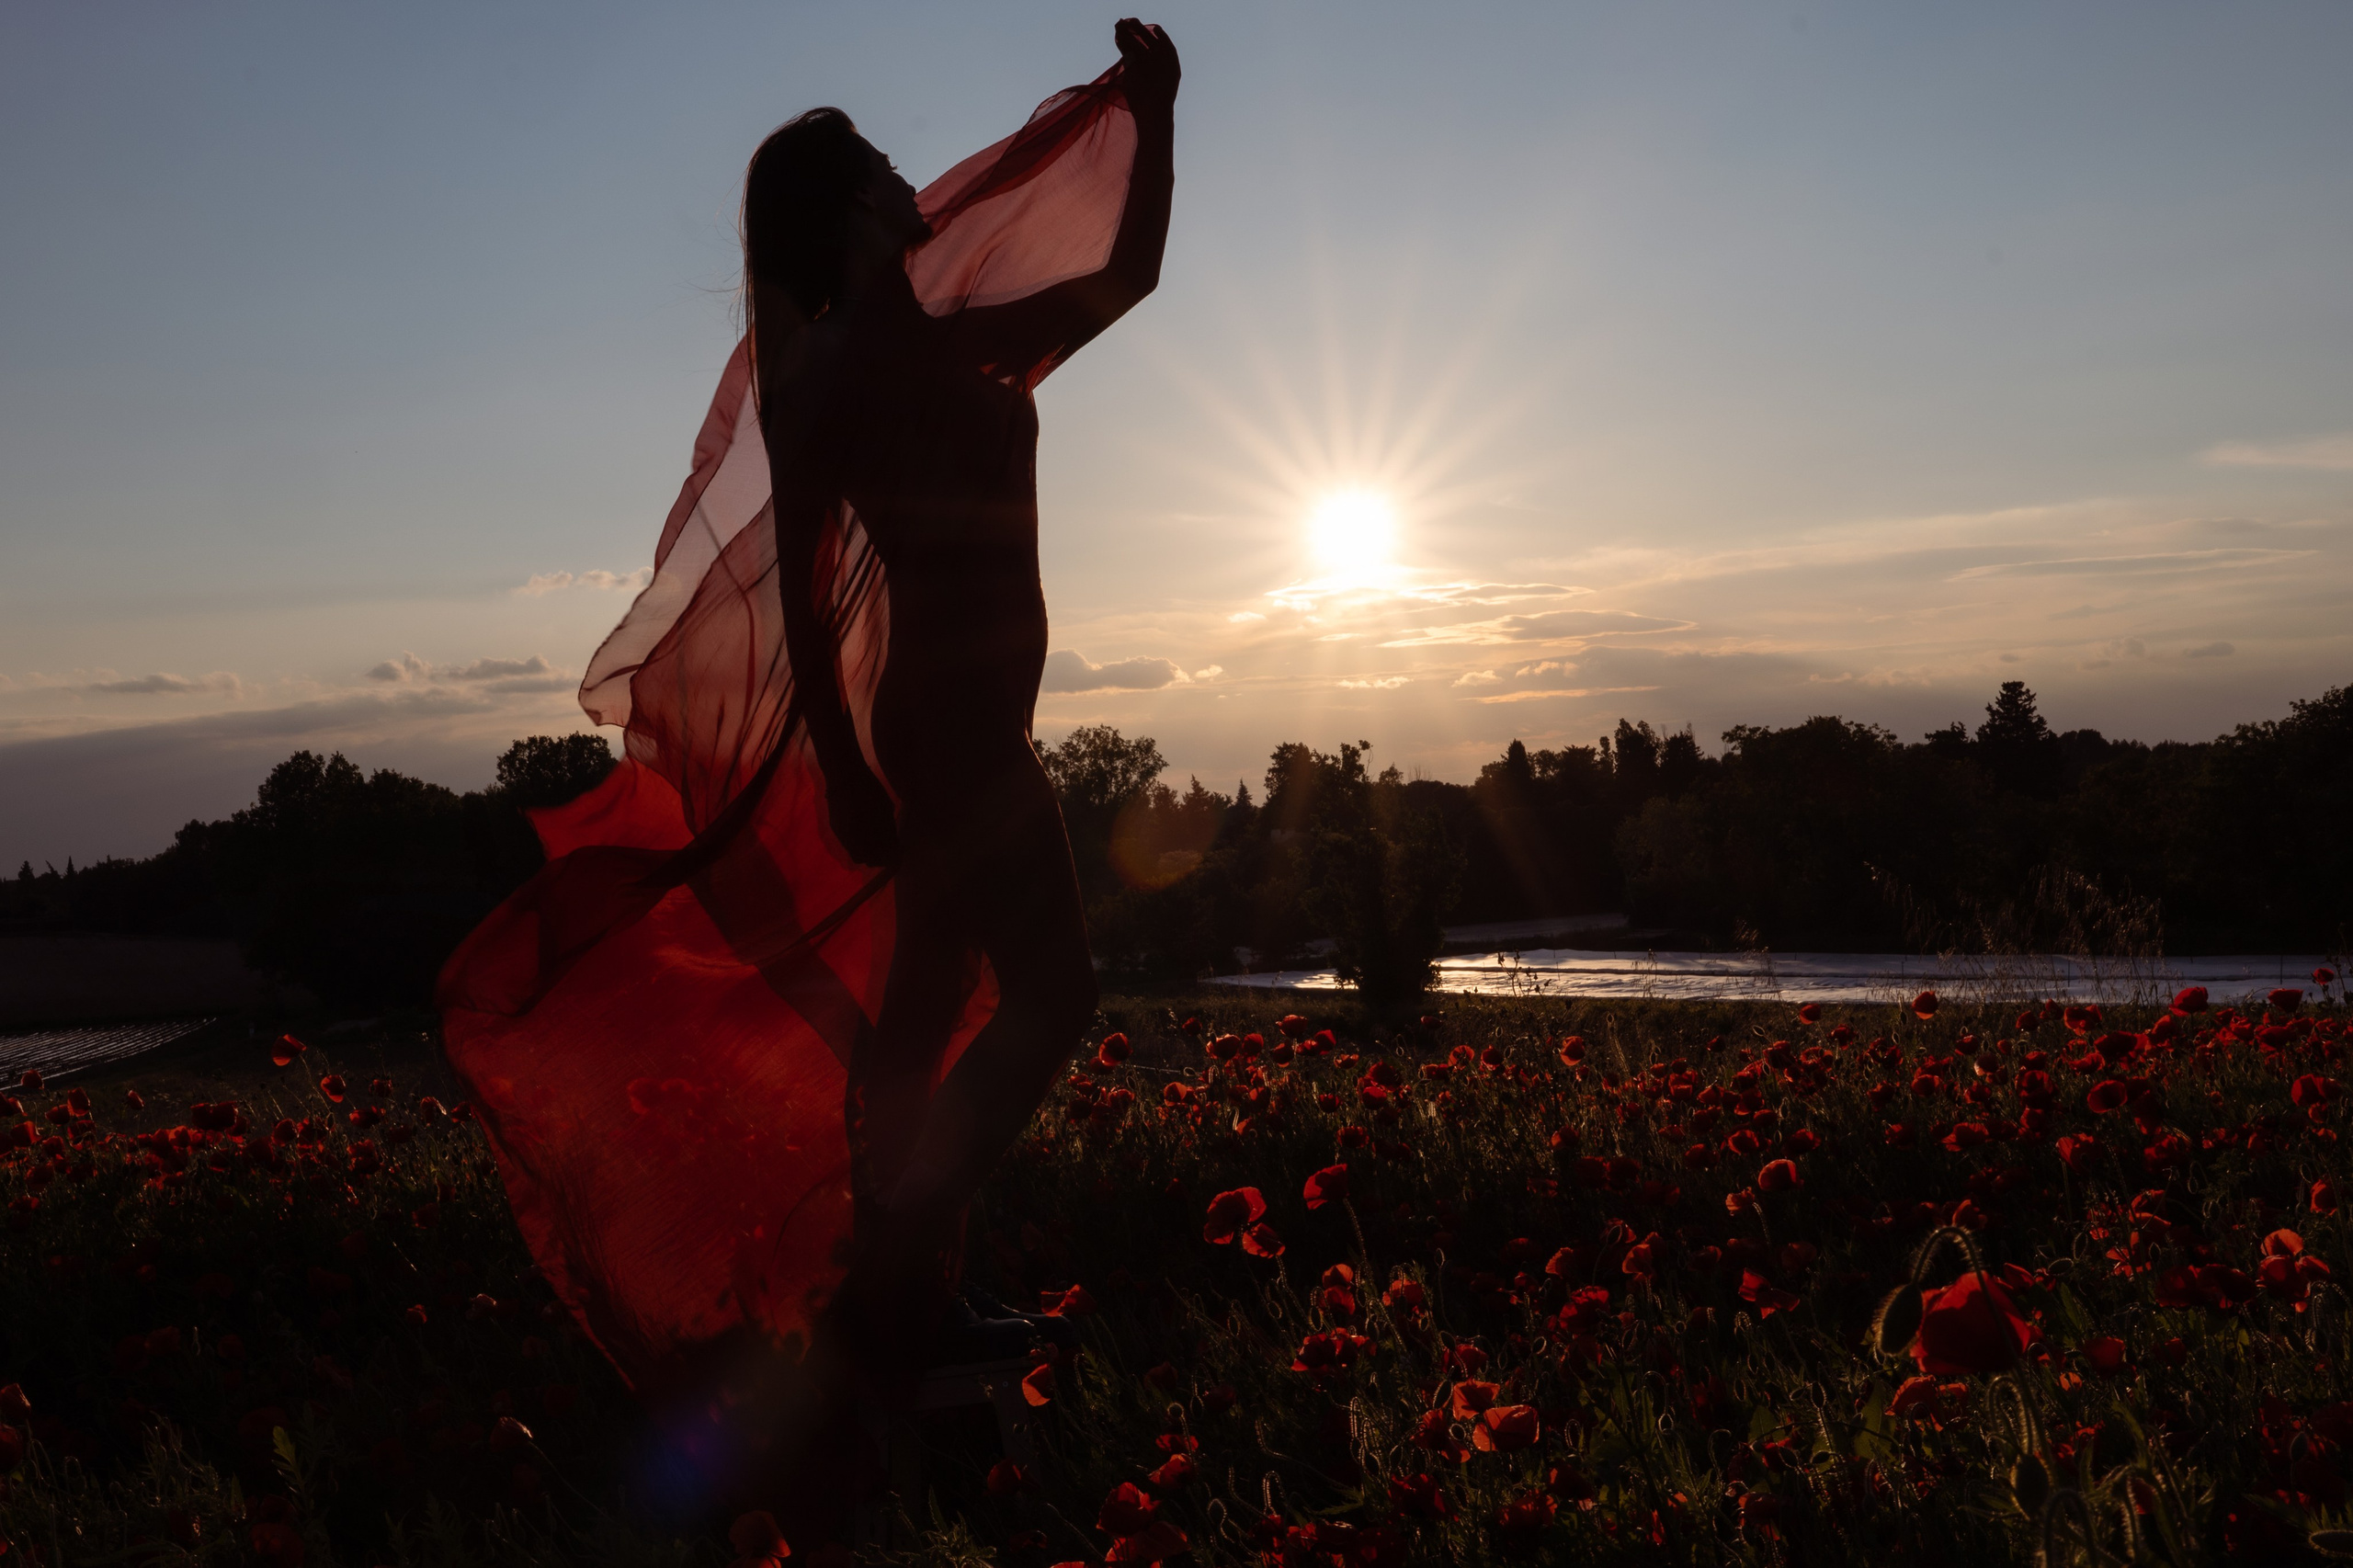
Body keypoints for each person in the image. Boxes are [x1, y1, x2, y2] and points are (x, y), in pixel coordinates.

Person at [436, 17, 1177, 1535]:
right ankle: (901, 1274)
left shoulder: (948, 342)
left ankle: (903, 1291)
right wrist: (840, 764)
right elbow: (798, 571)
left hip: (975, 727)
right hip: (951, 736)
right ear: (848, 207)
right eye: (887, 165)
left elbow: (1125, 282)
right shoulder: (832, 371)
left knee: (917, 1014)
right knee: (1055, 997)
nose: (918, 175)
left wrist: (1157, 115)